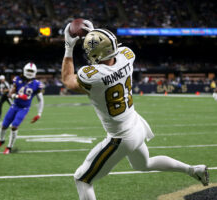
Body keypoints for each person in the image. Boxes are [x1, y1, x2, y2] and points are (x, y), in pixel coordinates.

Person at [61, 22, 209, 200]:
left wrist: (69, 47)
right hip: (137, 125)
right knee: (144, 164)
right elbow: (108, 51)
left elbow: (68, 79)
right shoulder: (127, 55)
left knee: (82, 179)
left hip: (120, 137)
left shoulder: (93, 75)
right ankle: (194, 170)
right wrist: (94, 34)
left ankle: (193, 170)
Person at [0, 62, 44, 154]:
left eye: (31, 71)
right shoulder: (17, 80)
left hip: (24, 108)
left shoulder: (37, 84)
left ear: (35, 72)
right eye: (28, 70)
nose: (29, 72)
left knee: (14, 126)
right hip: (15, 106)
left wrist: (39, 113)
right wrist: (18, 96)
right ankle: (1, 141)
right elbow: (9, 95)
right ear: (24, 70)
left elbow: (41, 100)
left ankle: (9, 147)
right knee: (4, 125)